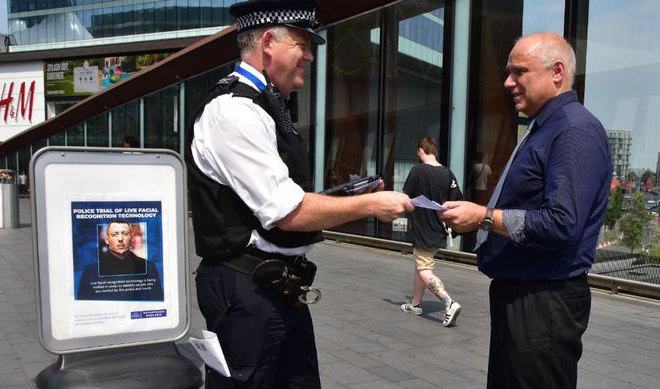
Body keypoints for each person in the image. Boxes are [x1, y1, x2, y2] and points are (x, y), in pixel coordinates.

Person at [187, 1, 413, 387]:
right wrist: (369, 203)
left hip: (277, 288)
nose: (309, 55)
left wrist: (337, 196)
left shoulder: (266, 105)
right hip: (247, 292)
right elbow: (285, 211)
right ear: (270, 42)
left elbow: (277, 195)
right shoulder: (235, 111)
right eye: (303, 43)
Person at [438, 32, 612, 389]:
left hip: (542, 302)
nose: (508, 82)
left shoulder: (573, 131)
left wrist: (484, 216)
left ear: (557, 72)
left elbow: (561, 223)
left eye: (519, 72)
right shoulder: (547, 127)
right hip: (526, 297)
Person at [400, 137, 462, 327]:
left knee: (424, 268)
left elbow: (405, 197)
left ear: (420, 151)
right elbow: (457, 200)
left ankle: (448, 303)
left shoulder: (417, 171)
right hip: (438, 229)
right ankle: (416, 303)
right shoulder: (447, 173)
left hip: (422, 228)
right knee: (422, 265)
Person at [77, 220, 163, 301]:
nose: (120, 239)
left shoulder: (148, 267)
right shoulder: (91, 272)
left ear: (131, 238)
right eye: (115, 234)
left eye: (125, 234)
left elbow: (157, 300)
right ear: (107, 240)